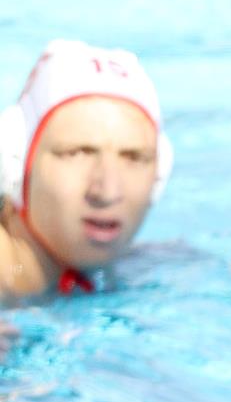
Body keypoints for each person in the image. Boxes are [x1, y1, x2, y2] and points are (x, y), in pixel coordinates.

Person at [1, 40, 171, 308]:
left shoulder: (146, 264)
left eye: (134, 157)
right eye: (77, 153)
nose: (107, 192)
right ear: (15, 164)